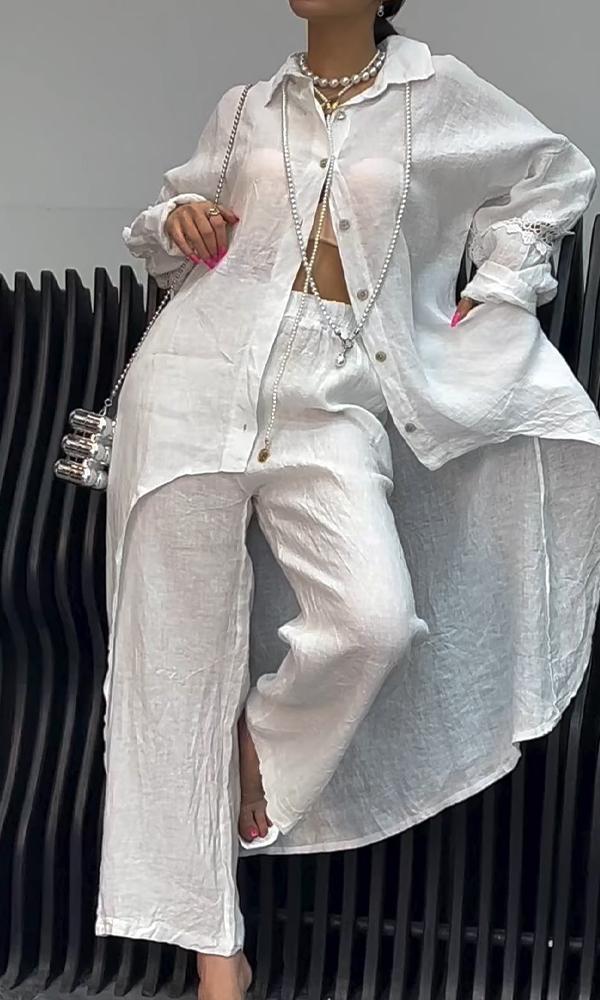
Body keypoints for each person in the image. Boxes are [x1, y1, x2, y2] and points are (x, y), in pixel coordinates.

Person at [95, 2, 600, 999]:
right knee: (170, 659)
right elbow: (172, 233)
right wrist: (179, 220)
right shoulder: (247, 107)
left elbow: (555, 178)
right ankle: (214, 955)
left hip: (335, 394)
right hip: (196, 379)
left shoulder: (437, 94)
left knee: (371, 619)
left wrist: (501, 287)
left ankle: (256, 750)